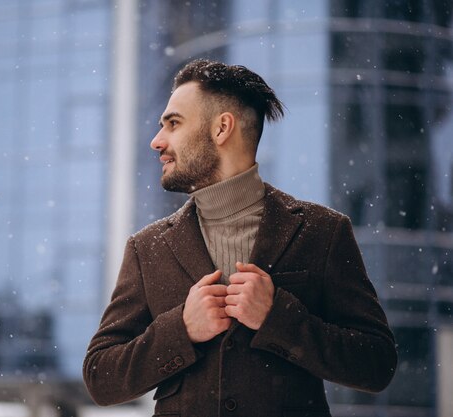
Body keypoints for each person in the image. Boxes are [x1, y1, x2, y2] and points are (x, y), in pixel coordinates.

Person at [83, 59, 397, 416]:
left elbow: (377, 363)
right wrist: (181, 330)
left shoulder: (322, 232)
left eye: (173, 123)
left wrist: (279, 318)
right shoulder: (147, 248)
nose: (157, 141)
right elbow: (100, 376)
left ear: (222, 128)